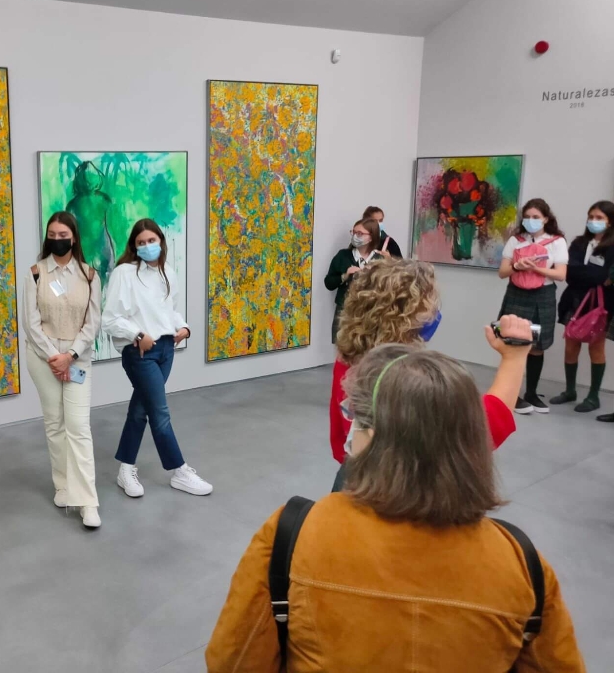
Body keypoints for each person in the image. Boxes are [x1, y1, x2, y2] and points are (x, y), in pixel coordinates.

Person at [206, 343, 585, 672]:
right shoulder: (522, 566)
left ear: (373, 436)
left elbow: (234, 661)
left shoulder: (292, 535)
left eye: (355, 418)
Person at [330, 260, 522, 481]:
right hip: (399, 488)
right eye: (429, 304)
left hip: (354, 475)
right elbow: (482, 428)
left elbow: (340, 436)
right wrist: (514, 358)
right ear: (405, 316)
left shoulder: (347, 360)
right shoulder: (411, 378)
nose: (434, 312)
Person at [102, 218, 212, 497]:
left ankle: (126, 468)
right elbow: (110, 319)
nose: (147, 246)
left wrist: (184, 327)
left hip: (166, 350)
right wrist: (138, 334)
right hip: (140, 352)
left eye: (151, 240)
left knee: (141, 410)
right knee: (160, 413)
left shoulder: (168, 273)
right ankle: (179, 471)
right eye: (141, 243)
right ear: (134, 246)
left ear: (161, 240)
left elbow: (168, 312)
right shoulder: (124, 273)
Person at [23, 212, 103, 528]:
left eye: (63, 234)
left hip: (77, 359)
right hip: (42, 359)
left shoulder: (90, 275)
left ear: (74, 237)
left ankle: (88, 501)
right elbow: (31, 323)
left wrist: (69, 355)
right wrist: (53, 357)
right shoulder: (35, 274)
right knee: (55, 423)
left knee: (78, 426)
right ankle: (63, 486)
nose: (57, 239)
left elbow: (92, 322)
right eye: (52, 234)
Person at [498, 198, 568, 414]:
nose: (531, 220)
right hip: (517, 294)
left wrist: (536, 268)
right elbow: (502, 272)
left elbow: (561, 274)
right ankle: (513, 395)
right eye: (527, 217)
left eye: (536, 217)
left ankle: (531, 393)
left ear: (546, 219)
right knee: (514, 344)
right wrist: (517, 266)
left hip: (543, 296)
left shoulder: (557, 242)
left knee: (537, 346)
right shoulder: (515, 240)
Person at [549, 201, 614, 414]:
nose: (594, 221)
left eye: (599, 218)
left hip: (601, 304)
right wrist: (595, 275)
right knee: (571, 345)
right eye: (591, 217)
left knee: (596, 347)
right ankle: (570, 390)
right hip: (574, 301)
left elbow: (605, 276)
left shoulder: (612, 246)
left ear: (610, 221)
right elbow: (569, 273)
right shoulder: (579, 243)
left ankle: (593, 396)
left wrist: (588, 274)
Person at [324, 218, 383, 343]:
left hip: (371, 313)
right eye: (353, 232)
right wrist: (344, 276)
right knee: (343, 347)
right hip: (345, 311)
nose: (355, 236)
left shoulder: (380, 259)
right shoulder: (343, 256)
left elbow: (389, 289)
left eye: (360, 233)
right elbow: (328, 283)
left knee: (370, 348)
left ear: (371, 237)